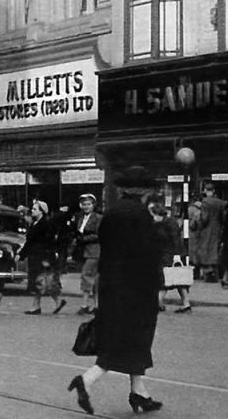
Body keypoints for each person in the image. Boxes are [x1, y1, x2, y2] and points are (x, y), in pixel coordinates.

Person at [68, 166, 162, 416]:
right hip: (136, 287)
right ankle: (87, 380)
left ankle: (139, 393)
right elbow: (147, 254)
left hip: (111, 284)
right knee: (132, 337)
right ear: (144, 190)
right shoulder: (141, 215)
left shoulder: (111, 213)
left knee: (128, 336)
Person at [19, 200, 66, 315]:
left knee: (43, 282)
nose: (32, 211)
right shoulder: (35, 223)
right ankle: (38, 305)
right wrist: (21, 254)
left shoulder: (46, 224)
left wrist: (47, 259)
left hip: (41, 257)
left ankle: (51, 302)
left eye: (35, 209)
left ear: (42, 212)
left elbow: (49, 242)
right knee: (39, 282)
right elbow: (29, 242)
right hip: (34, 256)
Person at [149, 199, 191, 313]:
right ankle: (185, 304)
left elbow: (176, 240)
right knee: (177, 280)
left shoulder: (170, 223)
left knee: (167, 279)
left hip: (172, 254)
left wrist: (177, 255)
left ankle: (159, 303)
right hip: (163, 254)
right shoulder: (156, 224)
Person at [72, 193, 102, 315]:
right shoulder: (80, 218)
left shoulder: (98, 218)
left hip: (94, 251)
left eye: (88, 204)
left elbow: (99, 235)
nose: (86, 207)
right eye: (84, 204)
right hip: (83, 251)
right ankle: (96, 305)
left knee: (87, 275)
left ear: (93, 205)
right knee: (93, 279)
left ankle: (84, 304)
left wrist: (83, 239)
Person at [197, 183, 226, 283]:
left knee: (206, 250)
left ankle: (209, 273)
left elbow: (204, 218)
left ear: (205, 190)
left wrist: (200, 225)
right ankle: (216, 272)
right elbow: (223, 218)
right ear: (213, 191)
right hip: (217, 229)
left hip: (207, 230)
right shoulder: (221, 203)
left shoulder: (205, 202)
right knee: (215, 250)